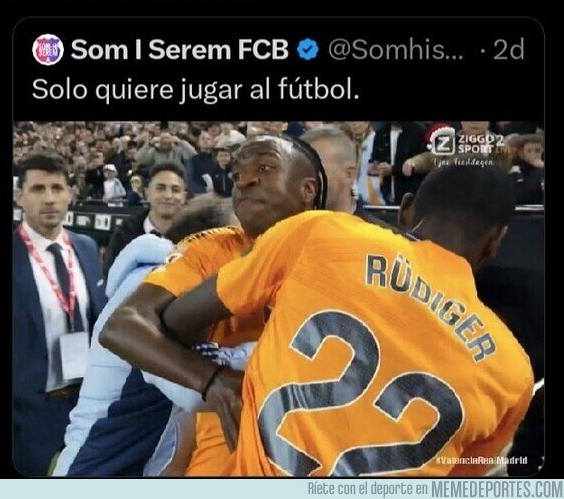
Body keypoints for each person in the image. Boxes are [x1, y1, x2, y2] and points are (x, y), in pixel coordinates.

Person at [139, 164, 534, 477]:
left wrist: (223, 373)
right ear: (494, 242)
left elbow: (173, 320)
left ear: (406, 209)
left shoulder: (321, 233)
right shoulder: (513, 374)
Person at [99, 134, 327, 476]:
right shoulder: (211, 249)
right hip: (226, 453)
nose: (245, 181)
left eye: (264, 168)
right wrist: (214, 380)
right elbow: (122, 326)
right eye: (237, 175)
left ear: (308, 190)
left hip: (323, 444)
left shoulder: (345, 250)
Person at [53, 195, 237, 476]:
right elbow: (191, 391)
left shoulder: (156, 281)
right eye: (235, 240)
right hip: (93, 463)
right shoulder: (153, 285)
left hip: (121, 459)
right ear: (206, 240)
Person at [13, 151, 107, 476]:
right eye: (38, 189)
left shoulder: (87, 248)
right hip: (27, 412)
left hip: (85, 404)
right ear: (19, 196)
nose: (49, 199)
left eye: (57, 188)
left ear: (70, 193)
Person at [103, 162, 187, 276]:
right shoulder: (125, 232)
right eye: (160, 188)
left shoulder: (196, 236)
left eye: (175, 190)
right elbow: (110, 275)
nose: (168, 196)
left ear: (184, 197)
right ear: (147, 194)